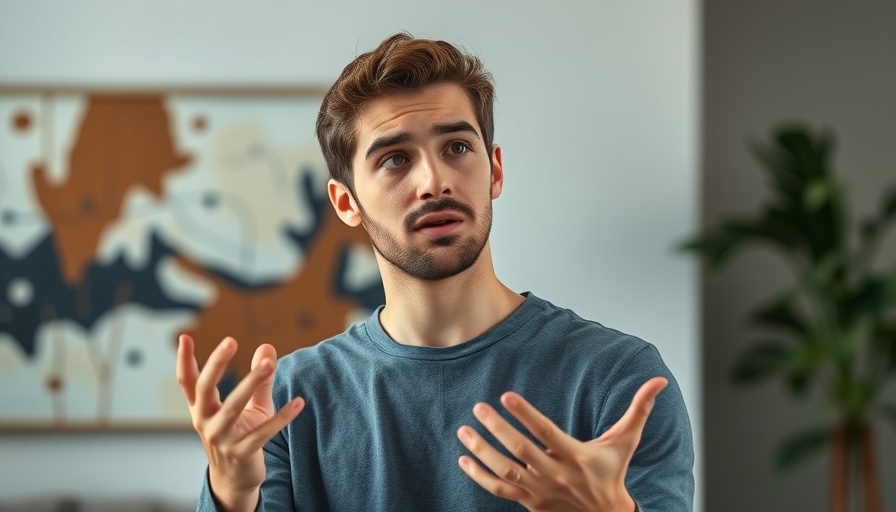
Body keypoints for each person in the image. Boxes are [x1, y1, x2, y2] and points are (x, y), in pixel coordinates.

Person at [177, 32, 695, 512]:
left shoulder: (618, 382)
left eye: (457, 148)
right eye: (396, 159)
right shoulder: (289, 401)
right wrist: (230, 494)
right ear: (345, 202)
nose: (434, 181)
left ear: (494, 170)